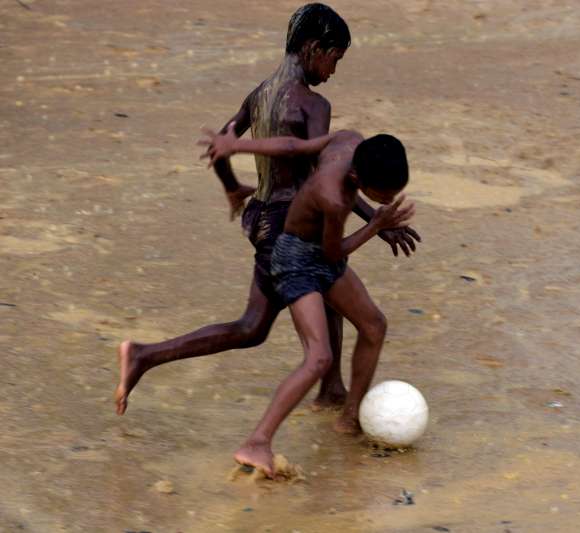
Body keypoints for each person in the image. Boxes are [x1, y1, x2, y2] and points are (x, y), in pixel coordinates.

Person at [114, 3, 420, 416]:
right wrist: (377, 224)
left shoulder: (260, 93)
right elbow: (327, 174)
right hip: (292, 227)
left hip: (260, 218)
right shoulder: (313, 106)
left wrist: (232, 189)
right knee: (307, 298)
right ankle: (325, 391)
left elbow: (220, 145)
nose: (332, 71)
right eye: (334, 58)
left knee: (260, 323)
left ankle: (145, 356)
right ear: (313, 48)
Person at [200, 125, 413, 476]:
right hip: (296, 261)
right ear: (359, 178)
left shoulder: (348, 141)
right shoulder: (334, 197)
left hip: (323, 254)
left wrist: (236, 144)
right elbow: (332, 253)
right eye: (384, 195)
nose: (388, 201)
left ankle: (349, 418)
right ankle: (257, 442)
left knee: (374, 325)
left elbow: (293, 146)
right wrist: (376, 225)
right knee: (319, 357)